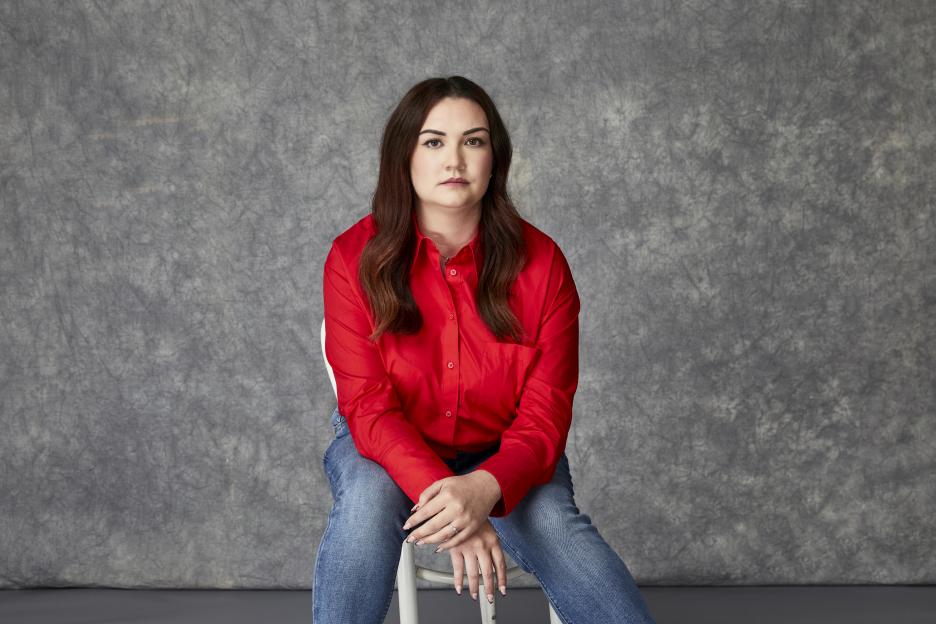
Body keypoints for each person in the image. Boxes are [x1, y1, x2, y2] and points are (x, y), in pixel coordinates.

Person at [312, 75, 656, 624]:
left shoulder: (543, 264)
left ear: (495, 159)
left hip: (506, 451)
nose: (454, 159)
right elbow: (368, 407)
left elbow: (546, 415)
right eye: (433, 141)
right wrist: (457, 507)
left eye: (473, 141)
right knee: (366, 504)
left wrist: (484, 487)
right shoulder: (352, 258)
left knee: (552, 525)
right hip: (387, 443)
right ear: (403, 156)